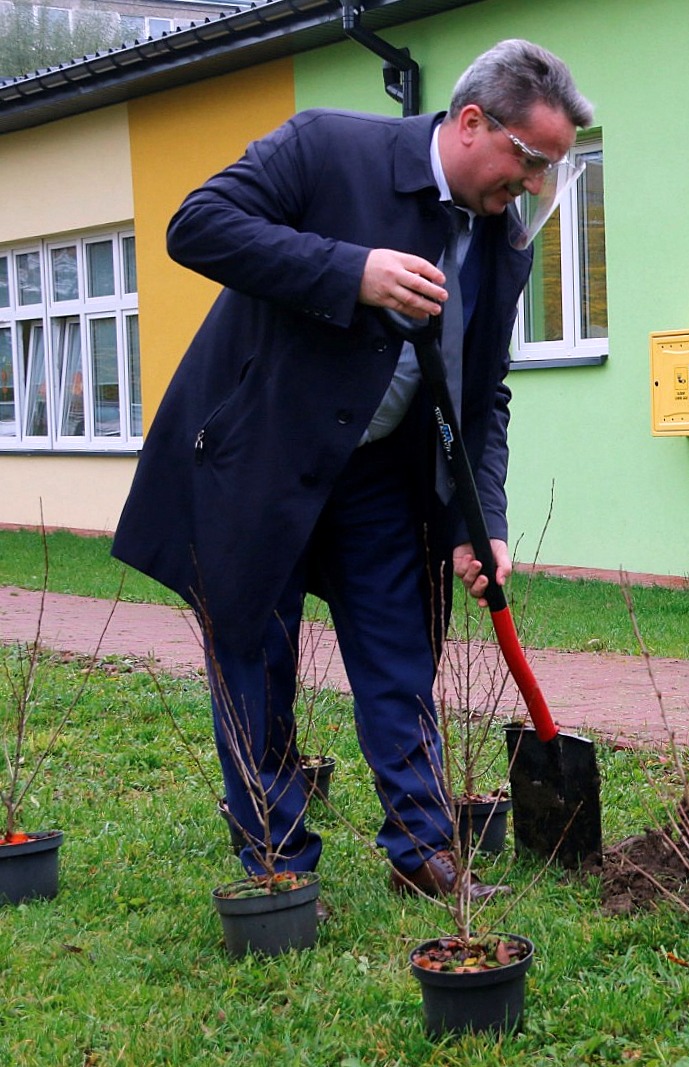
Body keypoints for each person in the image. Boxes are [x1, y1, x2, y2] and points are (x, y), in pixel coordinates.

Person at [111, 41, 593, 900]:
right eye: (528, 161)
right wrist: (351, 271)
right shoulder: (326, 148)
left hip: (376, 473)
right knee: (257, 653)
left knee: (399, 651)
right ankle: (277, 857)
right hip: (258, 460)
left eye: (550, 171)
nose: (530, 186)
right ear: (472, 123)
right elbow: (198, 225)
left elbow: (482, 398)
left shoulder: (497, 243)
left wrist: (482, 523)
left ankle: (422, 849)